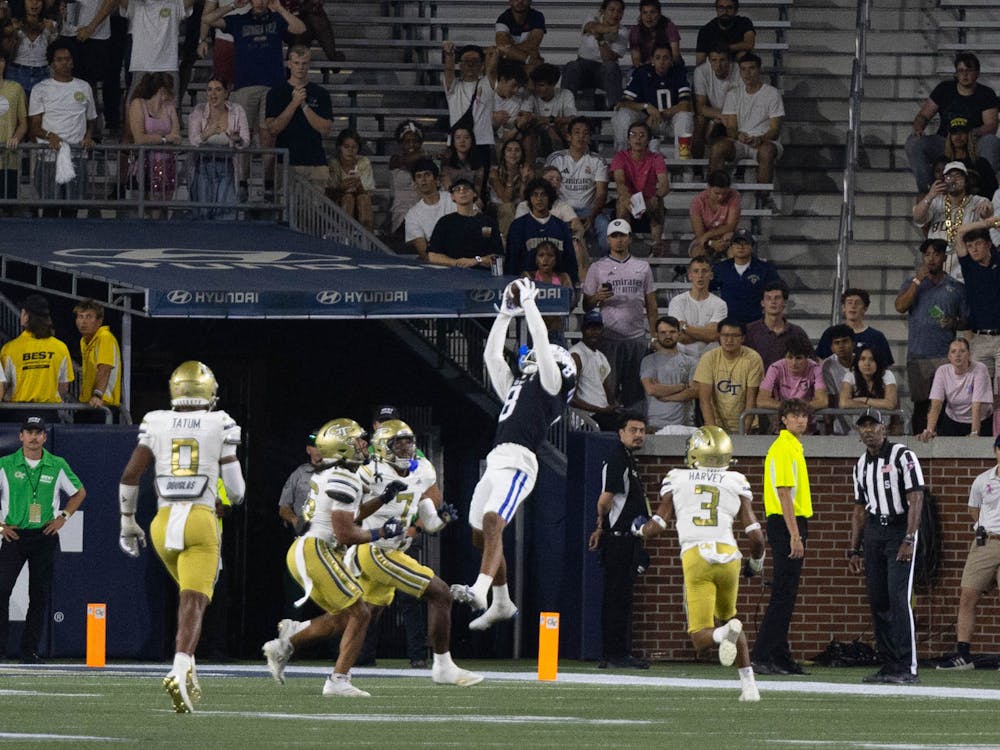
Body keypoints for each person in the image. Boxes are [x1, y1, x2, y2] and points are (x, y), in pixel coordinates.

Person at [118, 361, 246, 712]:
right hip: (200, 518)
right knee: (195, 600)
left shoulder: (155, 421)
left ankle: (189, 668)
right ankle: (180, 665)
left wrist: (127, 521)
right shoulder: (220, 422)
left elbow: (130, 475)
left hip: (162, 522)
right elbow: (235, 492)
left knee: (189, 597)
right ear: (209, 391)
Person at [450, 278, 577, 628]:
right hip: (497, 459)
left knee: (494, 521)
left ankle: (480, 589)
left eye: (542, 355)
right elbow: (491, 355)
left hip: (521, 461)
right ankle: (503, 602)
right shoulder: (519, 386)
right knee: (480, 533)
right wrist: (505, 313)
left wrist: (531, 305)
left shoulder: (551, 386)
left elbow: (540, 341)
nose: (533, 356)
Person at [633, 425, 765, 701]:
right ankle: (749, 687)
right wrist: (756, 563)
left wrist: (639, 531)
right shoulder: (736, 480)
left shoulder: (677, 478)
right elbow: (756, 535)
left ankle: (722, 634)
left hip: (697, 556)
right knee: (731, 617)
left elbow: (657, 525)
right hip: (730, 557)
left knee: (701, 636)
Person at [349, 420, 482, 686]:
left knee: (362, 614)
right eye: (397, 442)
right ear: (382, 446)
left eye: (408, 441)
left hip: (393, 550)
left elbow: (430, 523)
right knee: (441, 592)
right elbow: (350, 514)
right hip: (376, 550)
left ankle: (294, 638)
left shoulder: (421, 470)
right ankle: (443, 666)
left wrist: (442, 517)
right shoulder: (368, 472)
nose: (405, 447)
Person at [260, 418, 383, 698]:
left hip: (312, 548)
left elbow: (349, 515)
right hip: (317, 549)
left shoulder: (330, 474)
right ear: (342, 448)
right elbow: (345, 533)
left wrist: (383, 500)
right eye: (357, 441)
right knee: (362, 612)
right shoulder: (344, 476)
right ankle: (338, 680)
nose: (364, 445)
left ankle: (287, 641)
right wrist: (379, 533)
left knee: (343, 618)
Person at [848, 408, 924, 685]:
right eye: (863, 426)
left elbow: (916, 497)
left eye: (873, 424)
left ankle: (907, 665)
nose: (868, 430)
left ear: (885, 428)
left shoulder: (903, 455)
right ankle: (889, 663)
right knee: (878, 598)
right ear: (858, 432)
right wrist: (854, 549)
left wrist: (909, 537)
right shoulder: (860, 465)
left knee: (898, 598)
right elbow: (859, 509)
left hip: (898, 528)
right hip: (874, 531)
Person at [0, 415, 85, 663]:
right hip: (14, 534)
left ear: (45, 437)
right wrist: (1, 526)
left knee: (38, 594)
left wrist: (63, 517)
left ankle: (29, 650)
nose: (34, 437)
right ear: (21, 436)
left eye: (38, 432)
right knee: (2, 589)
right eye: (29, 432)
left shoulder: (56, 464)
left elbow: (79, 492)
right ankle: (0, 648)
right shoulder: (6, 464)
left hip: (44, 535)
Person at [750, 398, 812, 675]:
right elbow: (784, 492)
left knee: (787, 593)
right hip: (786, 523)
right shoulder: (784, 447)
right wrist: (794, 535)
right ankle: (762, 653)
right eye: (794, 415)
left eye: (803, 415)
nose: (801, 419)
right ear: (783, 419)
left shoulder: (792, 446)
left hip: (789, 522)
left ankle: (779, 653)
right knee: (782, 593)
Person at [587, 412, 653, 669]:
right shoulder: (617, 459)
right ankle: (613, 653)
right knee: (616, 597)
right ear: (621, 433)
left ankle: (618, 652)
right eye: (633, 430)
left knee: (623, 598)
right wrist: (600, 525)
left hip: (627, 539)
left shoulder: (628, 459)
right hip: (618, 540)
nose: (639, 435)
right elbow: (606, 499)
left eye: (642, 431)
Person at [202, 0, 305, 149]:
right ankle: (243, 173)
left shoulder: (277, 19)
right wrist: (233, 6)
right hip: (245, 85)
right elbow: (206, 19)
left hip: (273, 86)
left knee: (268, 135)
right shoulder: (239, 20)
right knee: (241, 136)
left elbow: (300, 28)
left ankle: (268, 173)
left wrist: (280, 9)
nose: (260, 2)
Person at [937, 436, 1000, 670]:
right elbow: (973, 508)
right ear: (995, 451)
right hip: (987, 542)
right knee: (967, 595)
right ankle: (963, 654)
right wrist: (983, 526)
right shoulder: (983, 480)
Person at [581, 219, 658, 409]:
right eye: (614, 236)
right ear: (608, 239)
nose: (619, 240)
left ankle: (635, 428)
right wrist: (597, 296)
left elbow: (651, 304)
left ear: (629, 238)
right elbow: (586, 305)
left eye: (622, 235)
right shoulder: (597, 268)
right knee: (608, 389)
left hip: (636, 338)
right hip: (608, 338)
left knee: (636, 392)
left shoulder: (643, 267)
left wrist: (654, 334)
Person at [893, 238, 967, 434]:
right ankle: (919, 449)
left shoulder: (956, 287)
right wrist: (917, 281)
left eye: (935, 254)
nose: (931, 259)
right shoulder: (912, 283)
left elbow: (967, 320)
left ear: (944, 257)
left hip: (946, 356)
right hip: (918, 354)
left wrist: (954, 323)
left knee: (943, 404)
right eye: (927, 255)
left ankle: (942, 446)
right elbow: (900, 306)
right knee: (921, 404)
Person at [905, 52, 1000, 194]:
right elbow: (923, 115)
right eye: (961, 71)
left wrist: (971, 133)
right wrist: (919, 128)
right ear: (956, 74)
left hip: (973, 143)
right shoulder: (944, 89)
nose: (965, 75)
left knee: (991, 141)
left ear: (977, 73)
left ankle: (983, 191)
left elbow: (991, 125)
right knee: (913, 143)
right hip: (946, 142)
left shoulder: (986, 94)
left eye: (969, 70)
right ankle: (929, 190)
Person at [27, 39, 96, 212]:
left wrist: (88, 136)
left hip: (77, 156)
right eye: (59, 59)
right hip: (49, 157)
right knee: (50, 208)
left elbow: (91, 119)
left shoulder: (84, 87)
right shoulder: (40, 89)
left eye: (67, 59)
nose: (64, 63)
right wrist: (50, 135)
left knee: (73, 209)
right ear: (52, 63)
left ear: (73, 61)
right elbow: (34, 126)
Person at [710, 53, 784, 208]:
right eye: (743, 69)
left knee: (766, 151)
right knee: (718, 147)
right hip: (741, 142)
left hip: (765, 141)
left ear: (759, 70)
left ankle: (763, 198)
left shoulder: (771, 93)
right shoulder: (733, 94)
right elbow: (730, 128)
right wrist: (738, 135)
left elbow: (775, 129)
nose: (747, 73)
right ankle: (714, 195)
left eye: (751, 69)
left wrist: (761, 138)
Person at [265, 44, 333, 192]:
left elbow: (325, 129)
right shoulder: (276, 93)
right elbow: (273, 129)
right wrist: (293, 104)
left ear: (309, 65)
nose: (300, 67)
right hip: (287, 162)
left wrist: (304, 105)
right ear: (289, 64)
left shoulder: (321, 93)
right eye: (296, 63)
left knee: (315, 213)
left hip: (315, 163)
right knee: (286, 211)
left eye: (304, 63)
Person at [545, 117, 610, 257]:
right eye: (577, 132)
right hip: (561, 209)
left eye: (585, 133)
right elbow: (547, 189)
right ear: (568, 136)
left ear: (590, 138)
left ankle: (606, 268)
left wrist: (591, 216)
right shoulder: (556, 159)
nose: (581, 136)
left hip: (589, 210)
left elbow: (601, 194)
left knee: (605, 227)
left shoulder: (598, 161)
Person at [612, 43, 693, 154]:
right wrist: (646, 107)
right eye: (658, 58)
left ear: (671, 60)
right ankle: (622, 158)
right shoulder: (642, 73)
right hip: (646, 121)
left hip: (670, 121)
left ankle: (683, 160)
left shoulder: (678, 73)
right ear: (652, 60)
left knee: (685, 117)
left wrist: (667, 112)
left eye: (666, 58)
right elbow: (624, 103)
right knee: (622, 115)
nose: (662, 62)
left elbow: (686, 104)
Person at [187, 76, 249, 220]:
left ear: (226, 93)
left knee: (225, 213)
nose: (213, 94)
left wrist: (236, 139)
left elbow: (245, 140)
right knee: (202, 213)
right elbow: (193, 140)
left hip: (227, 167)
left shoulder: (237, 110)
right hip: (203, 166)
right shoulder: (199, 111)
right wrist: (209, 132)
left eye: (218, 90)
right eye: (209, 90)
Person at [912, 161, 991, 268]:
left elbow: (989, 214)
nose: (953, 180)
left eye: (958, 176)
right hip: (938, 266)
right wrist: (929, 196)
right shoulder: (935, 201)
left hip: (964, 266)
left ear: (966, 181)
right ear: (943, 181)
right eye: (949, 177)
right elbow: (918, 218)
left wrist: (987, 210)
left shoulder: (977, 201)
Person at [694, 318, 763, 435]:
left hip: (746, 425)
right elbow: (705, 400)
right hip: (716, 423)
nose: (729, 340)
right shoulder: (709, 358)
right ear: (719, 337)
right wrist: (714, 433)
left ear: (743, 338)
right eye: (725, 335)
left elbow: (751, 399)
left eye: (735, 336)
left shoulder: (753, 358)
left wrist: (744, 433)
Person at [0, 294, 74, 404]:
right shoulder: (60, 347)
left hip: (18, 413)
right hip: (49, 413)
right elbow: (63, 388)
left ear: (25, 316)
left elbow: (3, 387)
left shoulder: (10, 349)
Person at [611, 121, 669, 253]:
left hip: (649, 201)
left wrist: (656, 196)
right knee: (621, 202)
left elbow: (664, 185)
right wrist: (632, 201)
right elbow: (620, 182)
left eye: (642, 135)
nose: (637, 138)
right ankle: (623, 247)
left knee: (659, 201)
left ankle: (656, 245)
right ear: (628, 139)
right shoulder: (620, 157)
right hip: (629, 201)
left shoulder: (656, 158)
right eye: (633, 135)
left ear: (648, 140)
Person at [506, 177, 578, 282]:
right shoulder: (518, 226)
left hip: (557, 286)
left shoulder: (561, 226)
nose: (539, 199)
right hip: (526, 286)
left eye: (543, 195)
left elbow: (570, 261)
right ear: (529, 198)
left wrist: (572, 284)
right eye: (535, 195)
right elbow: (512, 261)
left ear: (550, 198)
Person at [918, 338, 992, 440]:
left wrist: (975, 433)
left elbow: (976, 405)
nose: (958, 355)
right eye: (953, 351)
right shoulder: (942, 371)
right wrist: (929, 430)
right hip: (953, 420)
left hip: (981, 421)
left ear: (969, 354)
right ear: (949, 356)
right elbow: (936, 405)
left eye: (962, 351)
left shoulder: (980, 369)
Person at [560, 0, 628, 110]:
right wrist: (610, 30)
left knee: (611, 67)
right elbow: (591, 27)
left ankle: (614, 109)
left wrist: (601, 39)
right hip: (583, 66)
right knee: (571, 66)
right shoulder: (591, 18)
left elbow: (608, 58)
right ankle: (565, 108)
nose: (615, 14)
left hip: (604, 70)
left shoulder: (623, 32)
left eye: (619, 11)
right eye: (611, 10)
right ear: (602, 11)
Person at [126, 72, 181, 208]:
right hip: (143, 164)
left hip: (166, 163)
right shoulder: (138, 104)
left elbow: (176, 136)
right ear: (163, 90)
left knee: (161, 207)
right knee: (140, 206)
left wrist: (155, 138)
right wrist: (164, 138)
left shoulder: (169, 108)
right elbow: (139, 138)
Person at [121, 0, 192, 100]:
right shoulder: (136, 5)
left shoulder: (175, 4)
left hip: (168, 66)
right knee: (135, 107)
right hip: (141, 66)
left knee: (172, 110)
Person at [426, 178, 503, 269]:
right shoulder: (445, 222)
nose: (462, 191)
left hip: (482, 276)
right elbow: (433, 255)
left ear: (474, 193)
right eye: (457, 189)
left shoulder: (488, 222)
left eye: (466, 188)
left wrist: (476, 261)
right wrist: (455, 263)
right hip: (450, 275)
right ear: (452, 196)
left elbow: (499, 257)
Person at [709, 228, 780, 325]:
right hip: (728, 324)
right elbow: (706, 289)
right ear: (731, 247)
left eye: (745, 243)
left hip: (756, 323)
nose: (741, 247)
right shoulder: (720, 268)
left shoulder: (765, 269)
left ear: (752, 247)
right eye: (737, 243)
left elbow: (778, 291)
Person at [640, 316, 698, 433]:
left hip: (685, 424)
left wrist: (666, 396)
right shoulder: (649, 361)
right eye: (663, 332)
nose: (668, 336)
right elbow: (651, 389)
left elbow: (694, 392)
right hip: (655, 424)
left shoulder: (691, 362)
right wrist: (682, 386)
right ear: (656, 334)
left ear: (679, 333)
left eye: (672, 332)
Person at [442, 42, 496, 165]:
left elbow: (492, 70)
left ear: (482, 65)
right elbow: (449, 70)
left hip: (481, 141)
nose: (470, 65)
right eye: (466, 61)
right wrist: (449, 54)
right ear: (459, 64)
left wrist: (493, 54)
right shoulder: (453, 87)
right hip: (457, 142)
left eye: (475, 61)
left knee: (481, 183)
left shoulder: (486, 84)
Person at [756, 340, 827, 432]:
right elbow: (761, 400)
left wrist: (792, 409)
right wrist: (791, 408)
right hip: (781, 427)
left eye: (798, 358)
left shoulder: (816, 368)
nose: (794, 363)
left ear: (807, 358)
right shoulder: (775, 368)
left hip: (808, 428)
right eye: (790, 357)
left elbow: (823, 401)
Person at [667, 255, 727, 360]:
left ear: (711, 275)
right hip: (682, 358)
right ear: (690, 276)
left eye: (704, 271)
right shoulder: (677, 301)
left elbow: (713, 335)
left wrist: (685, 327)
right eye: (696, 271)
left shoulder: (720, 304)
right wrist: (705, 334)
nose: (700, 275)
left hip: (711, 359)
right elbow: (680, 337)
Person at [743, 280, 813, 370]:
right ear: (762, 303)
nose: (773, 302)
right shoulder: (750, 331)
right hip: (757, 382)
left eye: (777, 298)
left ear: (785, 302)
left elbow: (810, 360)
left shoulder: (797, 332)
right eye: (768, 298)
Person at [816, 288, 894, 367]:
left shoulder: (877, 337)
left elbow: (885, 367)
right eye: (849, 302)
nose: (853, 306)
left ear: (865, 308)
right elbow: (820, 360)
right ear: (843, 307)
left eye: (858, 303)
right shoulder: (830, 333)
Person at [569, 309, 620, 430]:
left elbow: (608, 391)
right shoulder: (576, 355)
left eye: (597, 328)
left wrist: (614, 406)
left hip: (603, 414)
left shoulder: (601, 356)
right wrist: (602, 410)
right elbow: (571, 398)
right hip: (585, 419)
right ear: (582, 330)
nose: (594, 332)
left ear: (602, 330)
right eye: (589, 328)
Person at [73, 298, 121, 418]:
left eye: (89, 317)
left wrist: (97, 395)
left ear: (99, 321)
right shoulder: (84, 341)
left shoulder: (105, 337)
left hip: (102, 405)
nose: (83, 321)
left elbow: (105, 368)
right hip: (88, 404)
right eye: (80, 316)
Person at [404, 158, 455, 262]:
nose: (423, 179)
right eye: (419, 176)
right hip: (438, 263)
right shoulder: (412, 215)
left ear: (436, 179)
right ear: (415, 182)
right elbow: (424, 253)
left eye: (427, 175)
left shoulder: (453, 199)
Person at [4, 0, 57, 100]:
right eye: (30, 0)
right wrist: (12, 34)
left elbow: (53, 51)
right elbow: (6, 51)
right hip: (16, 73)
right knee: (17, 113)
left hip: (42, 74)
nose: (34, 3)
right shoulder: (13, 24)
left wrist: (52, 32)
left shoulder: (50, 25)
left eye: (38, 0)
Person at [386, 120, 428, 243]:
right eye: (407, 141)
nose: (411, 145)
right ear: (400, 144)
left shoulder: (426, 163)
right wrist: (425, 154)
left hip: (423, 210)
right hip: (401, 212)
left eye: (415, 141)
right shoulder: (395, 160)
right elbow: (409, 161)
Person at [525, 62, 576, 158]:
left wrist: (550, 120)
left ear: (553, 84)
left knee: (568, 128)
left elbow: (572, 118)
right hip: (537, 131)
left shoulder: (565, 94)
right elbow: (527, 117)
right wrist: (548, 128)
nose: (537, 89)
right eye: (535, 85)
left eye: (541, 85)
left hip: (558, 130)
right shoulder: (531, 96)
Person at [327, 129, 374, 231]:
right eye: (346, 147)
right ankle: (344, 236)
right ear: (340, 147)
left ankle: (367, 239)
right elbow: (328, 194)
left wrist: (359, 186)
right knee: (348, 198)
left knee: (363, 198)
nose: (350, 151)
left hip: (360, 204)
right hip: (337, 204)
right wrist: (341, 187)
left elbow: (368, 192)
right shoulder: (333, 163)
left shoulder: (363, 162)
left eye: (354, 147)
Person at [689, 169, 741, 258]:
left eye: (724, 193)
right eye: (717, 193)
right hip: (705, 239)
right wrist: (710, 242)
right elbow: (699, 234)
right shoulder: (697, 202)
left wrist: (709, 234)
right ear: (709, 188)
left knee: (736, 252)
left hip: (726, 237)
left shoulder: (734, 196)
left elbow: (730, 226)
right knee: (698, 253)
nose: (720, 197)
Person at [943, 116, 997, 199]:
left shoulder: (981, 163)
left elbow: (992, 192)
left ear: (969, 135)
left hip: (978, 208)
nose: (958, 136)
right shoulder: (943, 163)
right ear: (949, 137)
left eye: (962, 132)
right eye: (954, 132)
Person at [489, 138, 533, 239]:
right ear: (503, 154)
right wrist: (510, 178)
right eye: (509, 150)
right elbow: (505, 199)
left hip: (518, 207)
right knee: (508, 207)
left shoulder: (527, 171)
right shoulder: (494, 173)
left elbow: (523, 200)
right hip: (498, 207)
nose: (513, 153)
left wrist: (523, 181)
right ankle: (509, 242)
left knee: (524, 207)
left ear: (522, 154)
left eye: (517, 150)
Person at [838, 344, 898, 416]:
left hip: (883, 422)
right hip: (858, 423)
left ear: (878, 362)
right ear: (857, 362)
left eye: (872, 359)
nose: (867, 363)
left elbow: (890, 404)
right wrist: (870, 408)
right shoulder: (850, 375)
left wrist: (864, 400)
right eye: (862, 359)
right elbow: (843, 403)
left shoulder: (887, 374)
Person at [820, 323, 856, 436]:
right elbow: (831, 398)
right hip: (839, 424)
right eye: (837, 343)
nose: (841, 346)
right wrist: (828, 427)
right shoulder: (828, 365)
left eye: (845, 341)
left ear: (853, 343)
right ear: (831, 347)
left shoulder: (863, 361)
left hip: (863, 417)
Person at [695, 0, 755, 66]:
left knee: (742, 55)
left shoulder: (744, 22)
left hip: (738, 67)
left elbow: (749, 44)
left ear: (736, 10)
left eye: (729, 8)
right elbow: (700, 61)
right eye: (721, 7)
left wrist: (726, 48)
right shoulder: (706, 30)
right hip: (716, 68)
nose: (725, 12)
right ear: (716, 9)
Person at [0, 53, 26, 202]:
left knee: (8, 206)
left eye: (1, 59)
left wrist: (16, 137)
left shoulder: (16, 88)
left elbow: (23, 123)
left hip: (9, 159)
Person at [439, 123, 487, 205]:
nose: (462, 141)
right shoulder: (446, 162)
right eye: (458, 138)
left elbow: (477, 190)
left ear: (472, 140)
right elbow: (448, 188)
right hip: (450, 199)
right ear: (453, 141)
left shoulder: (478, 163)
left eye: (466, 137)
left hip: (470, 198)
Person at [495, 0, 545, 73]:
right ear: (510, 1)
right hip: (522, 58)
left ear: (530, 1)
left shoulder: (537, 16)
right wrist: (528, 59)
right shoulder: (503, 18)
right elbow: (502, 44)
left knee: (534, 55)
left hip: (514, 57)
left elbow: (533, 44)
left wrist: (509, 51)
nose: (520, 1)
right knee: (492, 54)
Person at [629, 0, 680, 67]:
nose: (648, 17)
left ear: (659, 14)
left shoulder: (669, 27)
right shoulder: (635, 31)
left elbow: (675, 56)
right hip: (645, 66)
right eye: (644, 13)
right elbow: (636, 61)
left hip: (668, 65)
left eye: (652, 12)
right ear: (641, 15)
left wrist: (659, 65)